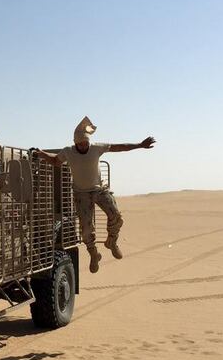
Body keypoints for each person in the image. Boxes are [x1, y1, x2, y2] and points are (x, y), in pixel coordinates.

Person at [33, 117, 156, 273]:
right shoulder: (68, 152)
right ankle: (94, 254)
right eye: (80, 143)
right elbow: (56, 162)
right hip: (81, 194)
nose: (84, 145)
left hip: (99, 190)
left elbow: (119, 147)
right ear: (75, 143)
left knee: (116, 217)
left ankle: (112, 242)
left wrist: (139, 145)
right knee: (86, 229)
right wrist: (43, 154)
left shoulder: (96, 148)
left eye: (85, 143)